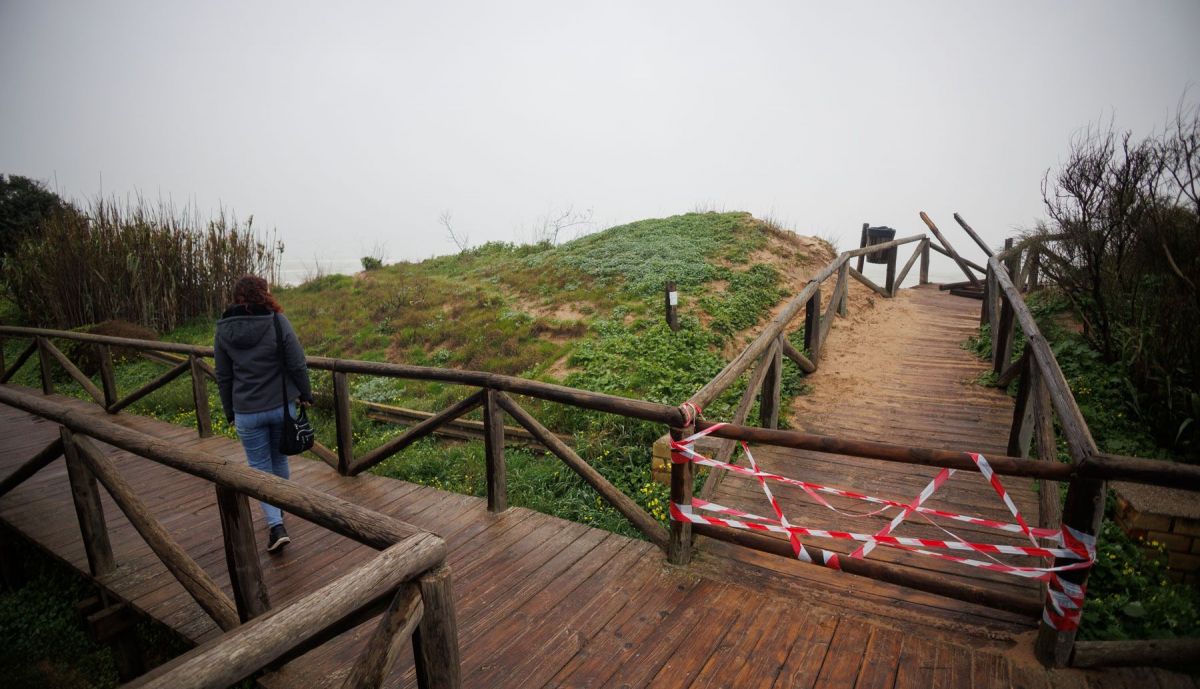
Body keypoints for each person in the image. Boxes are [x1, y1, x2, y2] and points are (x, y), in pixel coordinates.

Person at [214, 275, 313, 553]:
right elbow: (297, 362)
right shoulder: (276, 321)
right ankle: (278, 514)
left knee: (259, 468)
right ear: (264, 294)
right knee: (279, 459)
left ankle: (275, 525)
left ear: (237, 297)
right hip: (281, 407)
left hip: (246, 411)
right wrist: (306, 393)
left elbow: (223, 376)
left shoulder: (223, 329)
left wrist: (229, 411)